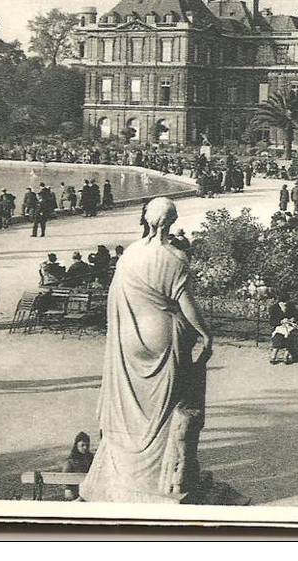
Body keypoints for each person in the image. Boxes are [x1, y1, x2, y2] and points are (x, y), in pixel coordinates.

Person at [79, 197, 213, 503]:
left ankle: (126, 473)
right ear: (171, 222)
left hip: (129, 337)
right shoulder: (175, 259)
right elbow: (187, 306)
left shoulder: (130, 254)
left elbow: (115, 298)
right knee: (165, 408)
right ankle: (158, 476)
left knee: (130, 405)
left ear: (148, 220)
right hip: (163, 336)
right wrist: (206, 335)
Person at [61, 432, 95, 500]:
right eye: (82, 445)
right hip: (76, 495)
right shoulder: (70, 462)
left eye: (87, 445)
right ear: (76, 446)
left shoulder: (92, 459)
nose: (85, 447)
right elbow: (67, 488)